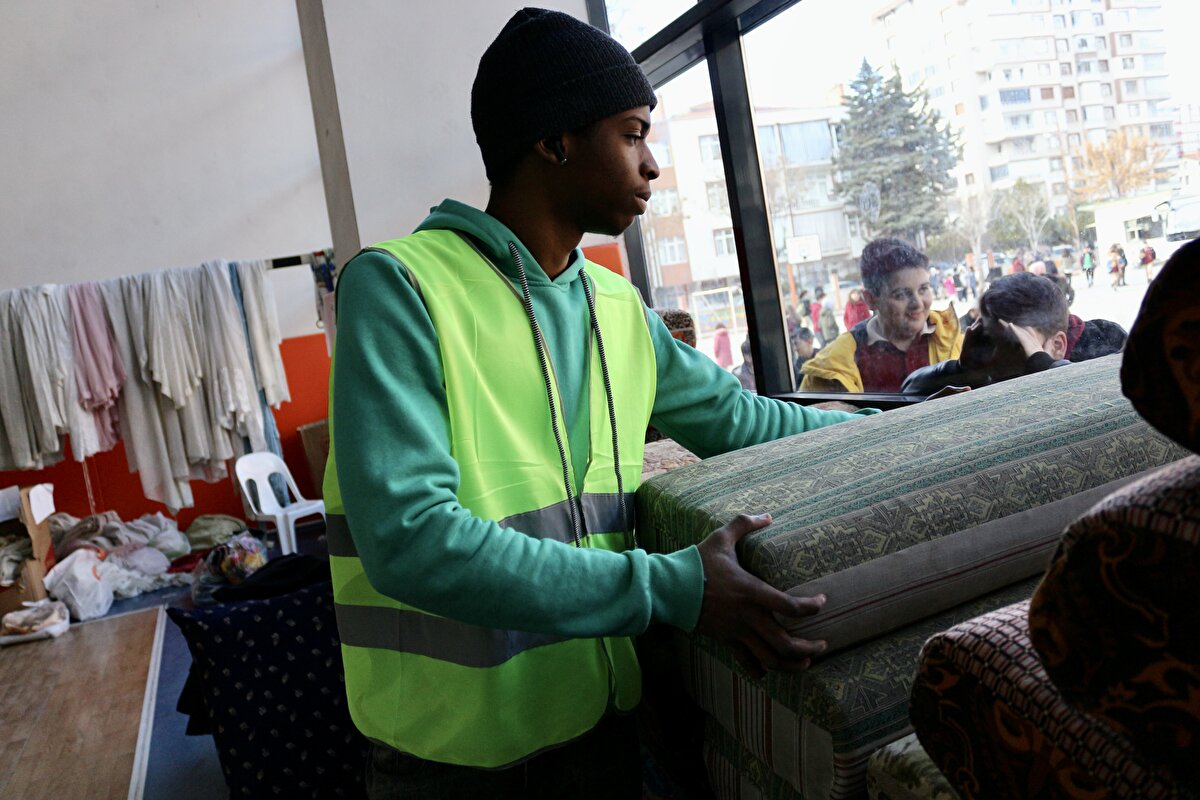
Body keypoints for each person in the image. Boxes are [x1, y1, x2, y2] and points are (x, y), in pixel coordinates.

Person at [324, 10, 877, 797]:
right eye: (632, 134)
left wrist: (900, 425)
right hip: (455, 757)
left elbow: (744, 423)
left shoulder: (614, 306)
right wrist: (670, 588)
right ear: (553, 140)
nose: (652, 165)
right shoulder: (401, 287)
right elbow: (411, 539)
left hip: (602, 724)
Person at [901, 272, 1126, 395]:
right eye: (989, 340)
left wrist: (1043, 365)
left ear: (1058, 346)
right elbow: (908, 389)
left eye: (1017, 343)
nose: (999, 357)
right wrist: (961, 369)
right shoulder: (985, 361)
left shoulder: (1104, 342)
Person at [799, 237, 962, 393]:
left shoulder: (955, 342)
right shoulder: (830, 371)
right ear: (870, 299)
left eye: (923, 289)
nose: (918, 304)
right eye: (901, 295)